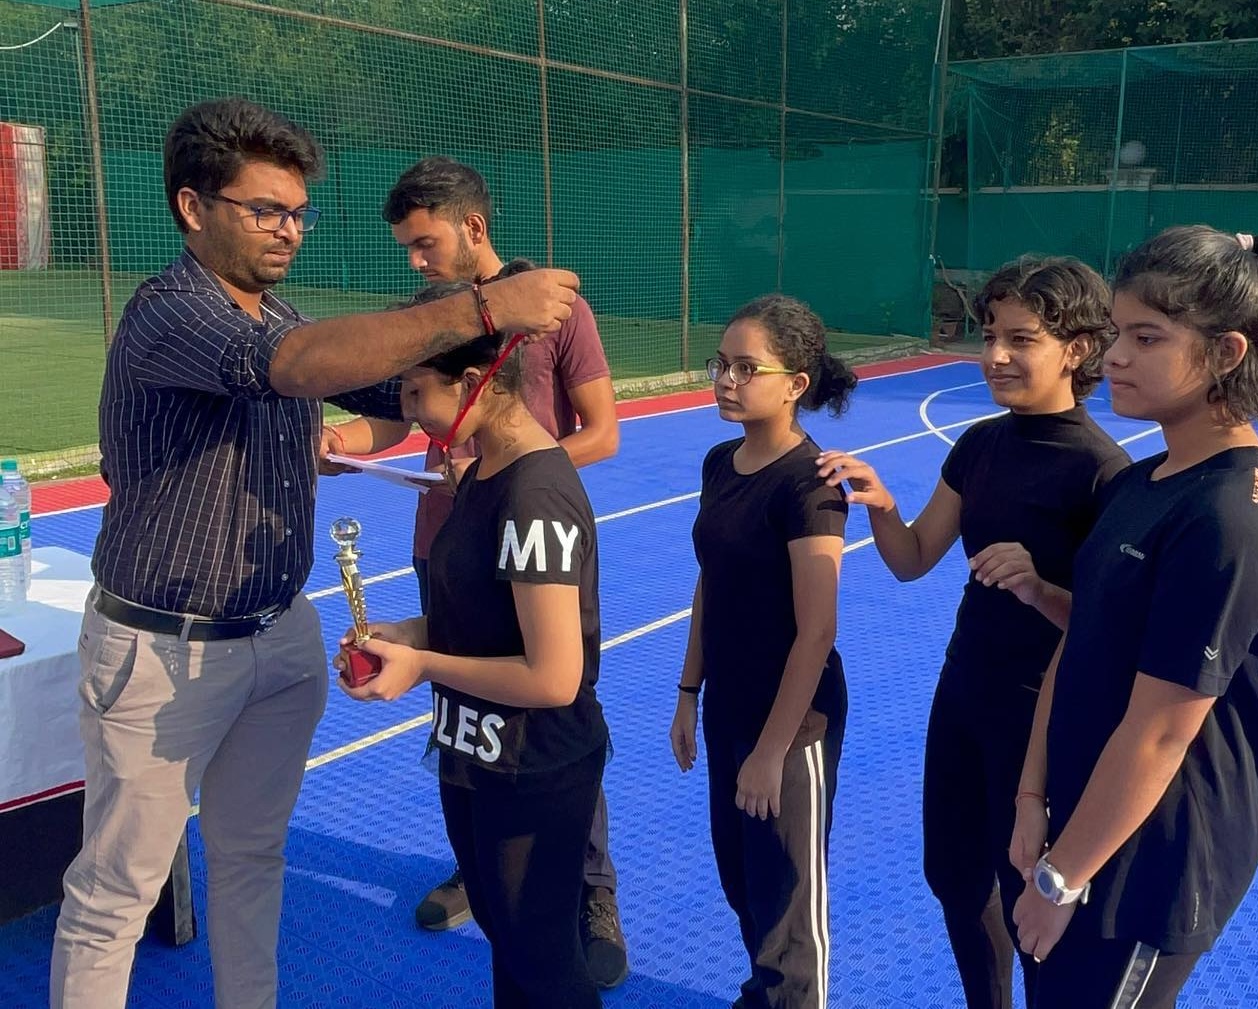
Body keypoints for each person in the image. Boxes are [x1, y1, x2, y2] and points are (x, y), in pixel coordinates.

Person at [50, 98, 579, 1009]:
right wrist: (485, 301)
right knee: (116, 895)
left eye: (299, 212)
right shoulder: (172, 312)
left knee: (253, 859)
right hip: (164, 651)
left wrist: (451, 389)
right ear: (192, 207)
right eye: (265, 209)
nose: (288, 230)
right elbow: (288, 365)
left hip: (278, 635)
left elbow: (389, 383)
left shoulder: (282, 317)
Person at [317, 156, 627, 985]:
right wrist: (410, 633)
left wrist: (420, 661)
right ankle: (504, 878)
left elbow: (554, 676)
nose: (411, 413)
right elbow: (404, 418)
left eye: (426, 245)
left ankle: (586, 889)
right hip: (478, 730)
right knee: (514, 943)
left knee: (540, 954)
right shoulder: (470, 440)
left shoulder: (528, 483)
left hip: (535, 755)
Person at [1008, 227, 1258, 1008]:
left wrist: (1060, 875)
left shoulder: (1230, 521)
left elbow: (1162, 730)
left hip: (1146, 869)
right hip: (1080, 832)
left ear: (1227, 352)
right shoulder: (1140, 482)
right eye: (1119, 332)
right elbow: (1079, 644)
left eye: (1147, 337)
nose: (1114, 356)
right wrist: (1031, 802)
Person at [815, 257, 1128, 1008]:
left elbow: (1110, 637)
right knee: (952, 876)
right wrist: (884, 507)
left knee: (1028, 890)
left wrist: (1041, 584)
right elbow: (915, 557)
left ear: (1076, 350)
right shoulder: (981, 445)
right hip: (963, 693)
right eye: (991, 336)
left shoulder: (1103, 474)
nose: (995, 356)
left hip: (1039, 715)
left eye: (1021, 339)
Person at [670, 294, 855, 1009]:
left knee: (787, 909)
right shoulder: (722, 462)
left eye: (748, 367)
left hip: (794, 722)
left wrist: (773, 751)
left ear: (796, 382)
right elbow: (709, 582)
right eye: (723, 363)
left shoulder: (811, 484)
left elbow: (816, 631)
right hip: (728, 706)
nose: (726, 379)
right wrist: (689, 694)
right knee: (741, 881)